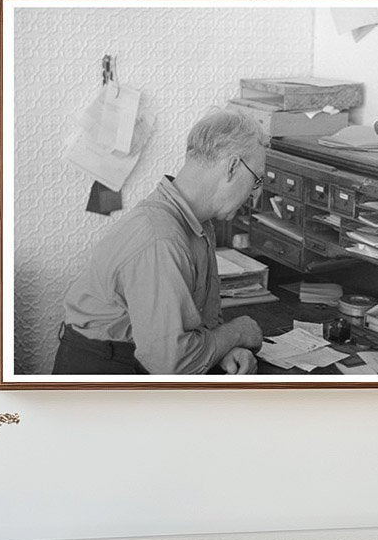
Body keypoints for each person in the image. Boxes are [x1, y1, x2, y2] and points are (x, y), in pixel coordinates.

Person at [53, 109, 267, 376]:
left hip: (138, 359)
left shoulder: (197, 223)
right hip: (104, 372)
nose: (255, 195)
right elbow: (172, 363)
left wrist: (222, 350)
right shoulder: (160, 239)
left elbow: (189, 328)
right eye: (257, 180)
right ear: (232, 167)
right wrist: (238, 332)